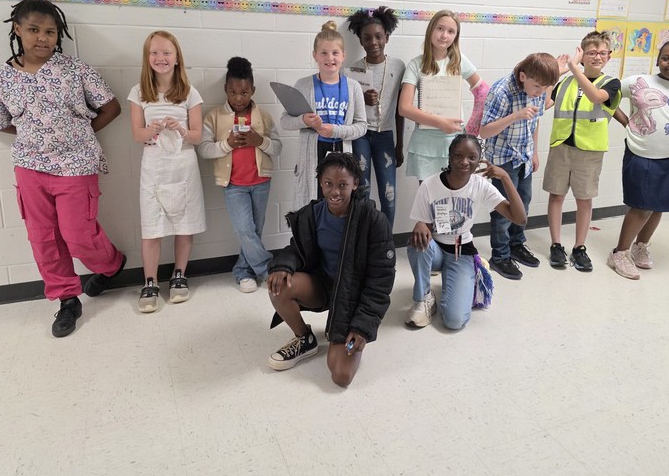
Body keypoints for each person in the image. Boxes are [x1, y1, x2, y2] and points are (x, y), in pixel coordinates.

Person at [0, 0, 125, 337]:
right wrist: (34, 136)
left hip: (76, 165)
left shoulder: (75, 69)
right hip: (29, 168)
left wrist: (76, 134)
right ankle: (66, 299)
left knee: (78, 235)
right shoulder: (3, 77)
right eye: (33, 30)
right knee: (44, 238)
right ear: (17, 30)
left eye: (49, 31)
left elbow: (111, 106)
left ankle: (113, 264)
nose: (42, 38)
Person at [266, 153, 395, 387]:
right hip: (323, 287)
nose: (335, 192)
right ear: (320, 183)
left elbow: (381, 281)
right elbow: (297, 249)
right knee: (279, 286)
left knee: (341, 376)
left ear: (355, 184)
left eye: (343, 185)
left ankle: (345, 334)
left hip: (351, 300)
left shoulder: (373, 221)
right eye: (328, 184)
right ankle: (304, 339)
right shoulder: (311, 215)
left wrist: (362, 327)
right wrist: (282, 265)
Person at [607, 39, 669, 280]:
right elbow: (606, 96)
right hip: (642, 156)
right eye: (666, 58)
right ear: (658, 60)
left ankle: (640, 245)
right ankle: (619, 253)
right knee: (641, 207)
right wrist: (626, 122)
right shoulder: (638, 82)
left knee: (659, 205)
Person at [406, 135, 527, 329]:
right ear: (450, 157)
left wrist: (504, 177)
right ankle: (423, 298)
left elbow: (520, 218)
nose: (464, 162)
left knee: (454, 321)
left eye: (472, 157)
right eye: (458, 156)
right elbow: (424, 227)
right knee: (417, 242)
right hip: (436, 249)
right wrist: (421, 223)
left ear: (479, 159)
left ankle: (463, 277)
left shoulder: (480, 186)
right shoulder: (429, 185)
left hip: (461, 252)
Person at [128, 31, 206, 312]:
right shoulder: (138, 92)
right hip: (154, 166)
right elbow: (137, 134)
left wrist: (182, 129)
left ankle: (179, 275)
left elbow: (197, 136)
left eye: (167, 53)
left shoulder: (189, 92)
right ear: (147, 58)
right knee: (152, 226)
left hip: (183, 165)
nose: (161, 58)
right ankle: (150, 281)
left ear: (177, 58)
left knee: (184, 223)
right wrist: (152, 130)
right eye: (155, 53)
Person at [198, 57, 282, 293]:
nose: (238, 98)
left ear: (252, 90)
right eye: (233, 92)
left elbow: (277, 147)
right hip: (234, 185)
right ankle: (267, 271)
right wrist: (227, 144)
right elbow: (204, 149)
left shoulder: (263, 116)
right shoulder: (214, 117)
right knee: (244, 230)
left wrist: (260, 141)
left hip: (261, 182)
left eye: (244, 92)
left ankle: (243, 271)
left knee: (254, 231)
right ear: (225, 90)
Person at [543, 32, 622, 271]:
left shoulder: (611, 83)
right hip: (561, 146)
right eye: (591, 53)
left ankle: (579, 247)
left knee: (584, 199)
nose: (596, 57)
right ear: (583, 53)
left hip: (589, 150)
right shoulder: (566, 81)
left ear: (608, 57)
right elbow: (544, 103)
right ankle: (556, 244)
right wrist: (557, 74)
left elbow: (595, 96)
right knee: (556, 195)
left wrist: (573, 67)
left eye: (602, 53)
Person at [480, 53, 562, 280]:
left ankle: (517, 245)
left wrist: (534, 151)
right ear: (523, 76)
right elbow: (484, 131)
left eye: (545, 88)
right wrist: (515, 116)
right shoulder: (501, 92)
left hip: (524, 155)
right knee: (504, 210)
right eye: (537, 87)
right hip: (503, 159)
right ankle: (500, 255)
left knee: (523, 204)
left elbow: (534, 121)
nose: (539, 92)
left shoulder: (537, 88)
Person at [280, 21, 367, 210]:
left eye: (335, 53)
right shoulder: (303, 85)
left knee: (340, 207)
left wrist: (335, 130)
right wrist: (303, 120)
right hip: (313, 157)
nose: (330, 58)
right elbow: (284, 121)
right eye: (324, 53)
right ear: (315, 56)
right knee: (312, 209)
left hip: (341, 157)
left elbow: (362, 126)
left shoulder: (353, 87)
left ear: (343, 56)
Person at [398, 10, 487, 181]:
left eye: (451, 31)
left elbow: (483, 93)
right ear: (431, 29)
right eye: (440, 28)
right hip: (425, 145)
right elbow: (404, 107)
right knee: (429, 199)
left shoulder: (459, 62)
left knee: (454, 199)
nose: (444, 35)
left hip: (454, 144)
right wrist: (440, 122)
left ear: (456, 36)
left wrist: (471, 128)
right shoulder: (416, 64)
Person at [345, 6, 406, 225]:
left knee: (388, 194)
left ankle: (385, 242)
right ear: (360, 41)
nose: (373, 42)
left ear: (387, 38)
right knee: (362, 190)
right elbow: (347, 111)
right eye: (367, 38)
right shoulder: (352, 70)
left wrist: (399, 145)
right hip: (361, 134)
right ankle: (364, 241)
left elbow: (401, 110)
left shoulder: (398, 67)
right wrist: (361, 98)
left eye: (378, 37)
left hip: (385, 136)